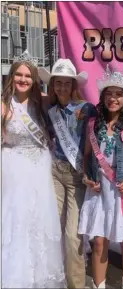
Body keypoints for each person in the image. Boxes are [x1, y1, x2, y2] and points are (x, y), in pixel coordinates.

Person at [1, 50, 66, 288]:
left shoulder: (45, 101)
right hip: (13, 169)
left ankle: (41, 276)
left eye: (28, 75)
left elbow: (68, 104)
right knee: (15, 221)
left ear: (35, 79)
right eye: (18, 74)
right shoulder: (3, 106)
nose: (23, 79)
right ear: (11, 76)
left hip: (41, 168)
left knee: (41, 220)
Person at [78, 65, 123, 289]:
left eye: (118, 94)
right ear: (103, 98)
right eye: (109, 94)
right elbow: (87, 156)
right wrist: (86, 176)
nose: (113, 99)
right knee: (98, 241)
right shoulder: (92, 125)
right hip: (99, 189)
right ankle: (99, 285)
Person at [38, 59, 97, 289]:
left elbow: (95, 145)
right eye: (57, 83)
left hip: (76, 179)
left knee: (73, 237)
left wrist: (92, 173)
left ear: (74, 85)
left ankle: (76, 284)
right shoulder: (49, 109)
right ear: (52, 85)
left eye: (66, 83)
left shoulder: (87, 109)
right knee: (53, 231)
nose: (62, 87)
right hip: (54, 174)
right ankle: (56, 281)